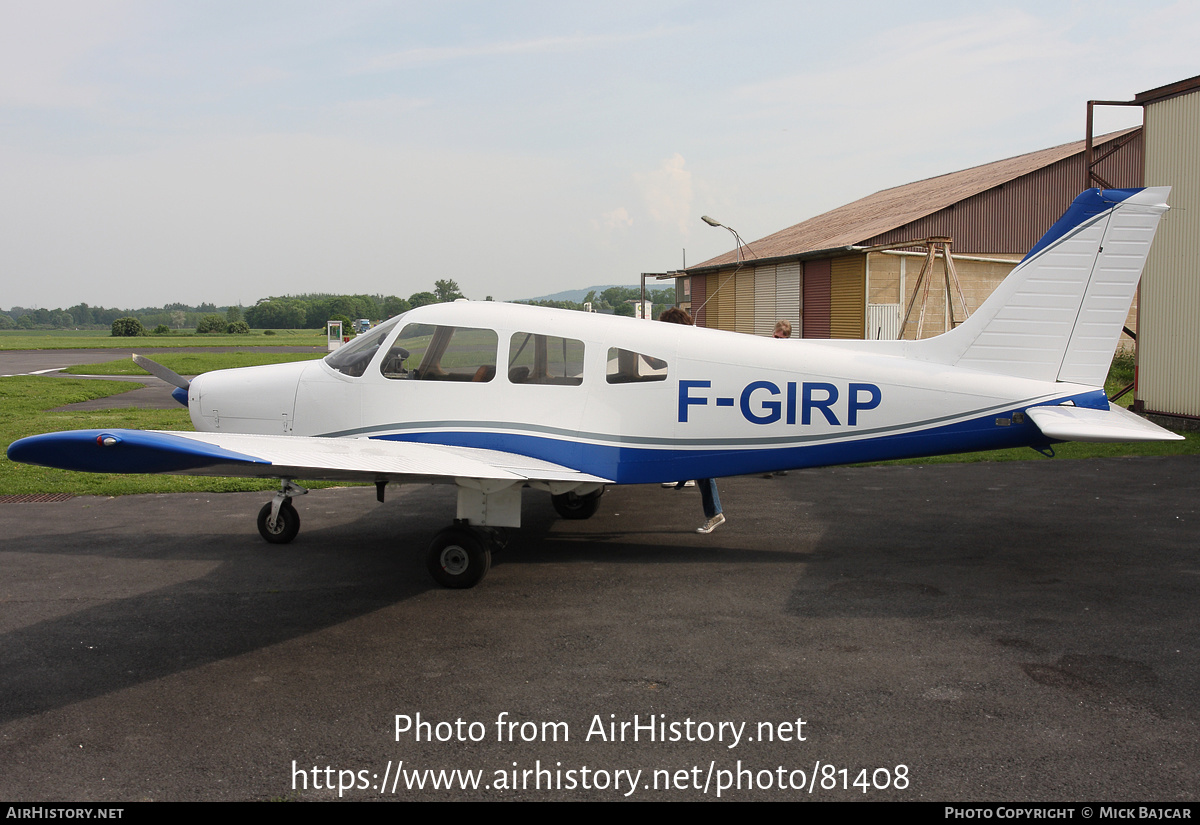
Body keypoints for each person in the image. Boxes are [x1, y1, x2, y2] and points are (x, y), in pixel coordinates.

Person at [658, 307, 725, 534]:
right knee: (697, 460)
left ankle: (714, 512)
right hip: (694, 409)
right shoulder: (694, 344)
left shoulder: (685, 348)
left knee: (701, 463)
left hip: (694, 410)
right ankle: (682, 479)